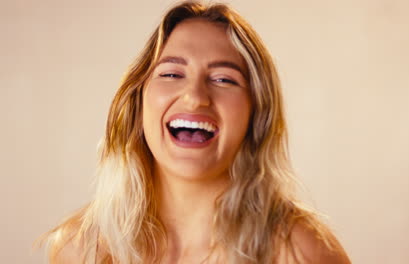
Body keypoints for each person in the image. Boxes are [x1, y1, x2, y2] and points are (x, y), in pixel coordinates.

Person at [42, 1, 351, 263]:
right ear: (137, 101)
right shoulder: (82, 249)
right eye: (172, 73)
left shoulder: (300, 252)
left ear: (256, 112)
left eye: (224, 79)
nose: (194, 96)